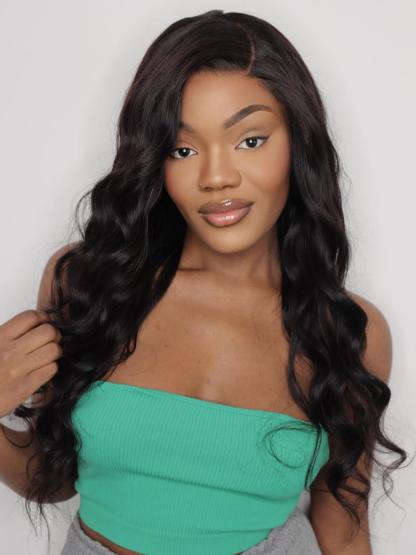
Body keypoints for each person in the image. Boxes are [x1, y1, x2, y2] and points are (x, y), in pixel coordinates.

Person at [0, 9, 407, 555]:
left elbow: (345, 529)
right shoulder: (87, 283)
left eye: (250, 141)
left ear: (298, 143)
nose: (216, 177)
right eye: (184, 149)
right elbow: (50, 481)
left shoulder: (347, 332)